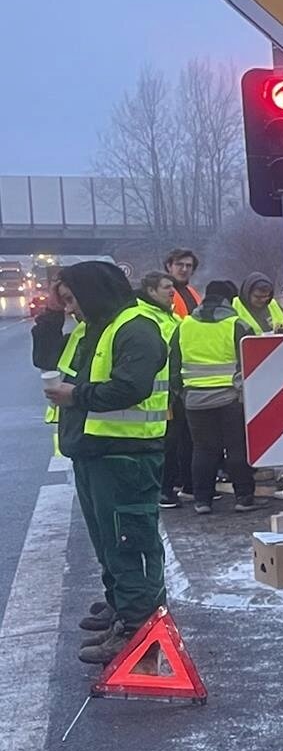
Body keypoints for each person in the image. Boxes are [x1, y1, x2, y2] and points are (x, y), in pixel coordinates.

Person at [41, 261, 171, 662]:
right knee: (110, 545)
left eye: (72, 299)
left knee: (129, 544)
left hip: (126, 456)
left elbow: (130, 387)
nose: (69, 309)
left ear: (93, 293)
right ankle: (125, 614)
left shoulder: (136, 328)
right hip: (97, 453)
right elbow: (46, 355)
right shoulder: (96, 327)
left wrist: (75, 397)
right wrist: (49, 310)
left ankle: (140, 634)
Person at [175, 280, 258, 514]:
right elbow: (252, 363)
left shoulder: (185, 325)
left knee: (203, 449)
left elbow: (173, 362)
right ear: (229, 300)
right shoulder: (237, 325)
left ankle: (202, 500)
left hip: (194, 400)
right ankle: (243, 497)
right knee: (236, 448)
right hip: (230, 398)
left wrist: (182, 392)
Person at [138, 270, 192, 509]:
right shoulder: (146, 317)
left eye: (172, 287)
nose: (172, 292)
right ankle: (164, 490)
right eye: (165, 287)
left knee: (179, 441)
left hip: (173, 390)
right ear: (150, 291)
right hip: (159, 394)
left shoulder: (169, 316)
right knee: (166, 443)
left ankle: (178, 485)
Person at [163, 248, 201, 318]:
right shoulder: (159, 293)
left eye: (188, 266)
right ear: (169, 266)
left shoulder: (193, 292)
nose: (184, 269)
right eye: (179, 264)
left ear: (193, 270)